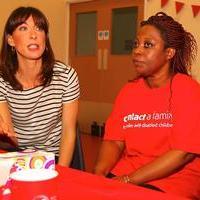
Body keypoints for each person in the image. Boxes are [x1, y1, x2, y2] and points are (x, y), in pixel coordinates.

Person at [94, 12, 200, 199]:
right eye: (136, 44)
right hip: (128, 173)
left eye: (148, 45)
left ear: (169, 53)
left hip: (173, 181)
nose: (137, 51)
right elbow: (114, 141)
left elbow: (183, 153)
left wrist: (128, 180)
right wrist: (99, 174)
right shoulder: (129, 91)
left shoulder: (188, 89)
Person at [0, 6, 80, 167]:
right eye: (23, 28)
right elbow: (11, 140)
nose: (33, 34)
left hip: (53, 158)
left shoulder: (65, 75)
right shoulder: (2, 80)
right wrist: (4, 133)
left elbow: (68, 131)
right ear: (10, 40)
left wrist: (61, 173)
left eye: (39, 28)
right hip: (17, 157)